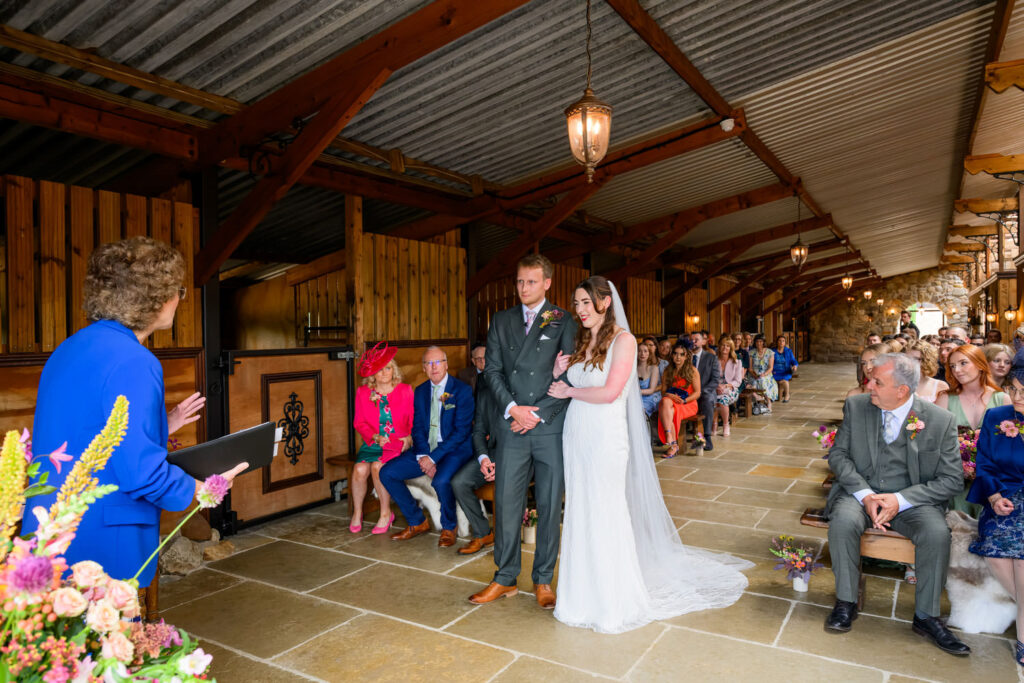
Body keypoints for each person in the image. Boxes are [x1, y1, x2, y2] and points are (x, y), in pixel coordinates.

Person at [20, 238, 247, 585]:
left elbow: (87, 427)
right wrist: (203, 490)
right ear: (154, 298)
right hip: (103, 533)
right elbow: (141, 474)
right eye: (177, 290)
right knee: (112, 635)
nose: (178, 300)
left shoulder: (69, 348)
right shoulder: (136, 362)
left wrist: (161, 425)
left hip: (55, 526)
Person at [546, 276, 750, 633]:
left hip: (605, 435)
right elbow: (577, 381)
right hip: (577, 432)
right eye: (575, 304)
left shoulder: (623, 341)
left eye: (584, 302)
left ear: (604, 302)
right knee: (581, 506)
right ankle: (579, 597)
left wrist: (567, 392)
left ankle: (613, 599)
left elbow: (610, 393)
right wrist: (560, 373)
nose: (578, 310)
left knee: (605, 508)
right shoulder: (584, 338)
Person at [824, 353, 969, 655]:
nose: (869, 385)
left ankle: (926, 616)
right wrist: (865, 495)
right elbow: (838, 455)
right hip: (861, 493)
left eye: (877, 382)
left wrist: (900, 500)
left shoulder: (939, 421)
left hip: (912, 500)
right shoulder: (856, 406)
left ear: (902, 390)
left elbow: (952, 480)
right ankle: (846, 601)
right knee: (843, 521)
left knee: (936, 533)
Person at [470, 254, 576, 608]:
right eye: (519, 281)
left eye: (531, 282)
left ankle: (543, 579)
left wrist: (536, 414)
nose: (524, 288)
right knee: (507, 503)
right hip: (511, 424)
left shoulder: (563, 320)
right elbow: (493, 372)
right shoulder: (500, 320)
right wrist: (513, 409)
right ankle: (505, 577)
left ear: (547, 282)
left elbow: (569, 376)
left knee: (548, 504)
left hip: (548, 427)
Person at [380, 347, 474, 547]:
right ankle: (417, 521)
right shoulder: (421, 391)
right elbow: (418, 427)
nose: (434, 367)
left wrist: (433, 458)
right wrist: (423, 455)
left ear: (446, 364)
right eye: (429, 363)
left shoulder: (462, 390)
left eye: (438, 362)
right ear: (423, 368)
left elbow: (461, 433)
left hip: (453, 450)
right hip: (426, 449)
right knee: (387, 472)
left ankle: (449, 526)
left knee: (440, 481)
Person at [966, 357, 1024, 667]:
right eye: (1013, 390)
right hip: (1005, 496)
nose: (1016, 398)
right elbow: (984, 463)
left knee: (1023, 562)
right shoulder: (996, 417)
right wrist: (993, 496)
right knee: (996, 553)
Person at [351, 342, 414, 534]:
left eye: (388, 368)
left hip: (397, 445)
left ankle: (386, 513)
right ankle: (357, 511)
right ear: (373, 374)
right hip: (373, 443)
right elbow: (359, 422)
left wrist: (408, 439)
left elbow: (414, 420)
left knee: (378, 467)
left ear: (393, 370)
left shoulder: (405, 390)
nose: (384, 373)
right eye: (379, 369)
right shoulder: (363, 393)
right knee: (360, 469)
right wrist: (375, 437)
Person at [451, 347, 500, 555]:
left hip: (516, 453)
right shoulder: (483, 385)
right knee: (459, 482)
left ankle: (508, 540)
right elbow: (479, 428)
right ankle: (483, 533)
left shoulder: (520, 386)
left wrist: (502, 460)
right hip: (489, 451)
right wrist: (483, 457)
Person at [935, 344, 1010, 431]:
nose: (956, 370)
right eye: (952, 366)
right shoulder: (945, 398)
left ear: (980, 365)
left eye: (963, 363)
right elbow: (936, 436)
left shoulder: (1002, 399)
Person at [657, 341, 701, 458]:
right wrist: (669, 395)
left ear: (686, 357)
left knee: (666, 407)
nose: (678, 357)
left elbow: (697, 393)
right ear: (672, 355)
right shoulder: (667, 371)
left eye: (682, 354)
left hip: (688, 403)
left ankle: (672, 443)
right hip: (671, 401)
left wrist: (685, 400)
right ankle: (670, 438)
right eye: (675, 354)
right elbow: (663, 392)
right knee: (665, 401)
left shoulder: (692, 371)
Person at [690, 331, 721, 451]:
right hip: (688, 393)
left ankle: (707, 436)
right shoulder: (684, 357)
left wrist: (700, 392)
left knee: (707, 400)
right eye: (691, 340)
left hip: (705, 392)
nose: (693, 342)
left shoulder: (711, 358)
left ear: (703, 342)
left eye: (696, 339)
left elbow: (715, 380)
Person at [714, 338, 743, 437]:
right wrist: (716, 386)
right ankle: (714, 425)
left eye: (727, 346)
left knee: (722, 400)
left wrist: (726, 386)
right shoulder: (714, 360)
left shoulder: (737, 362)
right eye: (723, 345)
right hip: (715, 388)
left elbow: (738, 381)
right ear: (719, 346)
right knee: (711, 400)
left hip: (730, 389)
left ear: (731, 348)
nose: (725, 348)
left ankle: (726, 425)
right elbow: (709, 376)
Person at [748, 334, 778, 413]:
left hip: (766, 374)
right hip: (753, 374)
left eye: (761, 341)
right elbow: (750, 368)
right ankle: (757, 400)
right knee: (752, 383)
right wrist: (754, 375)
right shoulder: (751, 352)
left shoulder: (770, 352)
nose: (759, 343)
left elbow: (770, 368)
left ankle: (768, 402)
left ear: (764, 342)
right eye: (757, 341)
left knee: (762, 380)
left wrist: (764, 374)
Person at [637, 340, 662, 417]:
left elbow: (651, 390)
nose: (642, 354)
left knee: (639, 412)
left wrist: (636, 392)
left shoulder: (654, 368)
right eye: (639, 351)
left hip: (648, 398)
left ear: (649, 353)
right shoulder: (632, 368)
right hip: (635, 397)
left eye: (645, 351)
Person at [771, 335, 798, 403]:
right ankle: (774, 396)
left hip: (785, 371)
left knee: (784, 380)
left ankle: (787, 395)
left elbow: (793, 360)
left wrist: (795, 365)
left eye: (783, 341)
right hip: (775, 372)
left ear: (785, 342)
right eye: (779, 341)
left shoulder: (788, 351)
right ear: (777, 342)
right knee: (777, 381)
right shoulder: (773, 351)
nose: (781, 342)